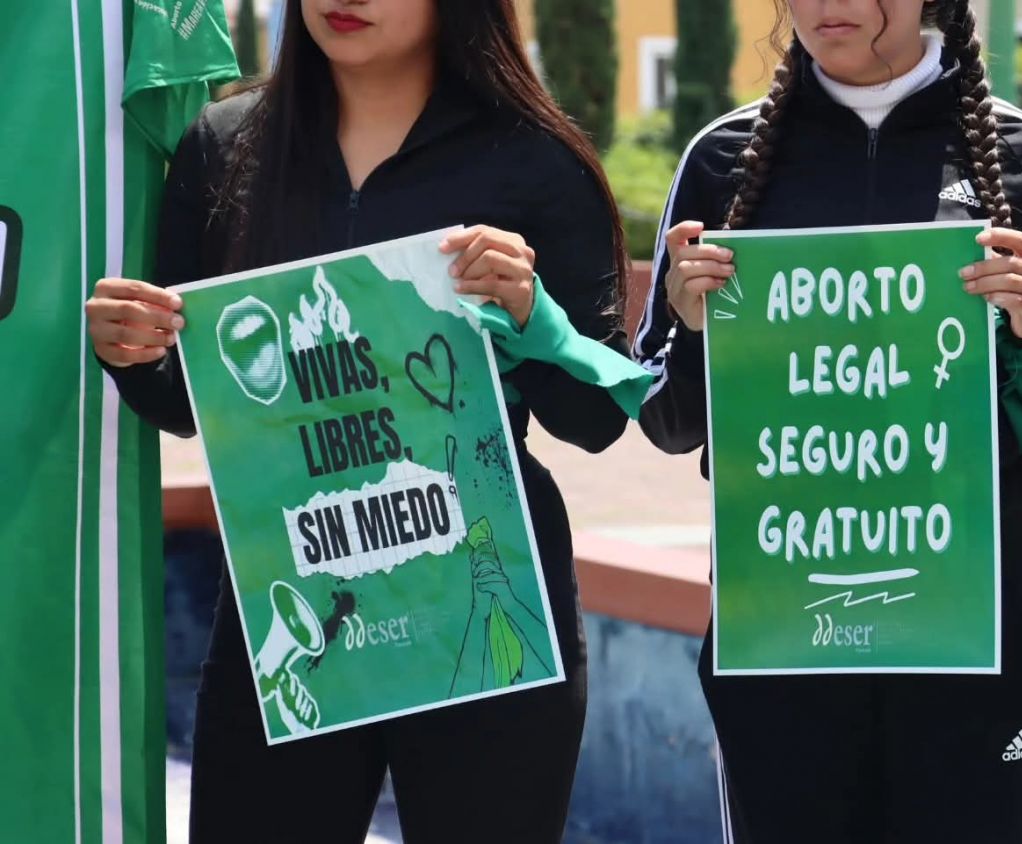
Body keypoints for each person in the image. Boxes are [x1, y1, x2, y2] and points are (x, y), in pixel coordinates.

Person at [85, 1, 637, 840]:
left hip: (486, 611)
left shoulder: (535, 159)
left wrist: (533, 318)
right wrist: (134, 351)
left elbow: (596, 416)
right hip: (292, 607)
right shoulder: (224, 146)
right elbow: (185, 405)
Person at [634, 1, 1022, 841]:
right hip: (781, 639)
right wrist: (690, 327)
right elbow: (667, 420)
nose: (830, 5)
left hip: (974, 640)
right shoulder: (722, 162)